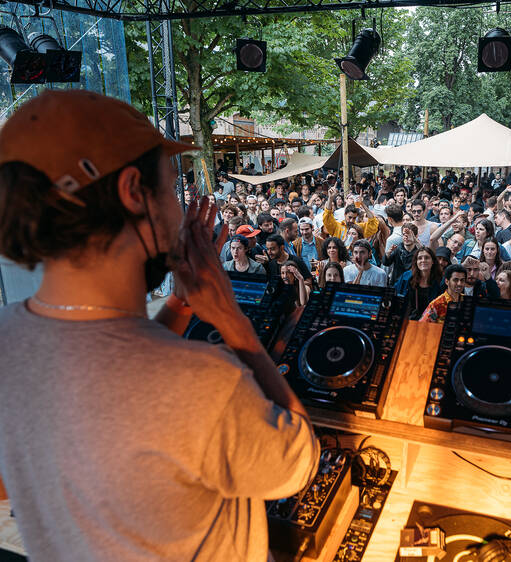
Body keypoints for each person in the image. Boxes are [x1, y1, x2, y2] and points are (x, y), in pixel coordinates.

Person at [0, 90, 318, 562]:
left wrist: (181, 305)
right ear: (133, 191)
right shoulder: (203, 381)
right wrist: (232, 320)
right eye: (171, 187)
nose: (178, 204)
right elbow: (298, 461)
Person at [394, 247, 443, 320]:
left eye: (427, 258)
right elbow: (395, 295)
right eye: (420, 258)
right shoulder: (406, 277)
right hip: (406, 322)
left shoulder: (439, 281)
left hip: (429, 323)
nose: (423, 260)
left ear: (433, 261)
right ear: (416, 262)